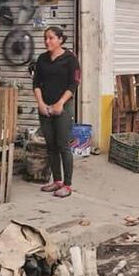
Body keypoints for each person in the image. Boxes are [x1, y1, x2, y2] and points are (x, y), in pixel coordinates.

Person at [33, 27, 80, 198]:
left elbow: (73, 84)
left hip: (63, 107)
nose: (47, 41)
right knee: (51, 146)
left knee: (63, 145)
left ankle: (67, 185)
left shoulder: (70, 59)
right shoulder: (42, 59)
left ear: (60, 39)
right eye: (46, 38)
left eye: (51, 38)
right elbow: (36, 83)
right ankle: (57, 181)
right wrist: (40, 103)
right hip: (45, 107)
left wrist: (60, 103)